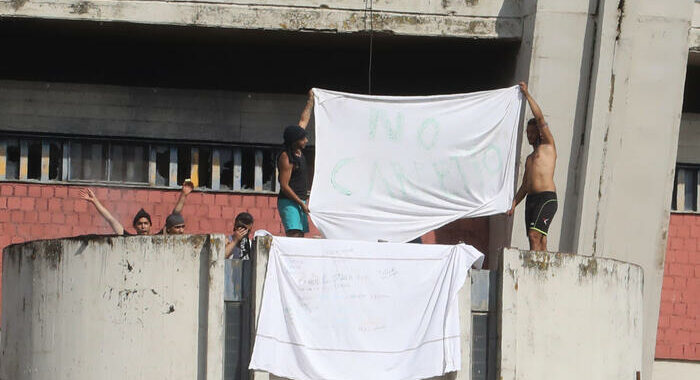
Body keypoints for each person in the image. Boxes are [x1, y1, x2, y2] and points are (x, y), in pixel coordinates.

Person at [507, 82, 558, 251]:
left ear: (539, 132)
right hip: (532, 199)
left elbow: (540, 118)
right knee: (538, 239)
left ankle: (535, 270)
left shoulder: (548, 146)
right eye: (527, 133)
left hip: (546, 197)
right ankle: (543, 271)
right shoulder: (529, 158)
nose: (529, 136)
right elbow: (525, 186)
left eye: (532, 132)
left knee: (534, 235)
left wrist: (527, 95)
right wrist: (514, 203)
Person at [82, 179, 193, 235]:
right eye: (140, 224)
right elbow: (110, 219)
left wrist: (183, 195)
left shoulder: (158, 238)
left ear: (150, 226)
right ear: (135, 226)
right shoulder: (128, 238)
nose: (143, 226)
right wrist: (94, 201)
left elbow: (175, 215)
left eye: (146, 223)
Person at [277, 89, 313, 238]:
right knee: (295, 235)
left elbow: (303, 120)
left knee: (301, 236)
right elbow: (284, 186)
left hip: (300, 200)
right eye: (303, 138)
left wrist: (311, 100)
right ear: (295, 140)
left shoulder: (297, 148)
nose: (306, 140)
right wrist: (301, 203)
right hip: (290, 202)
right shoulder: (286, 157)